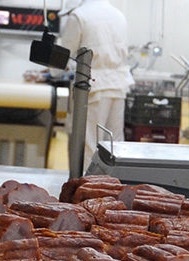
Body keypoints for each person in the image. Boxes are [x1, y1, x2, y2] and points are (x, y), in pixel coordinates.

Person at [61, 0, 134, 164]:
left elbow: (65, 53)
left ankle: (86, 187)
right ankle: (114, 186)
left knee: (88, 143)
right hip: (118, 84)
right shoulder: (118, 15)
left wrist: (51, 71)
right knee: (115, 144)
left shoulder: (79, 16)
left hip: (92, 87)